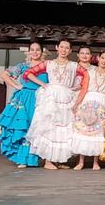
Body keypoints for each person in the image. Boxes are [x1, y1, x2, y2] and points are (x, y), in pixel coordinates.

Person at [24, 39, 89, 170]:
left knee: (64, 129)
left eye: (67, 48)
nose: (64, 50)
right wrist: (44, 85)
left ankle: (58, 160)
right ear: (57, 48)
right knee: (50, 127)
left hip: (66, 96)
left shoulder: (74, 65)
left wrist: (77, 88)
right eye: (62, 47)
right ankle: (48, 161)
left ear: (70, 51)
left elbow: (87, 75)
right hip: (51, 96)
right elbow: (28, 73)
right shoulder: (48, 63)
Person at [0, 41, 45, 168]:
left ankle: (37, 158)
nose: (35, 52)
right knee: (23, 127)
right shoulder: (23, 66)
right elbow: (4, 75)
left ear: (42, 51)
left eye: (37, 50)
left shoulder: (47, 67)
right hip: (24, 99)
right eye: (32, 50)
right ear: (29, 52)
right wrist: (17, 85)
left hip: (41, 99)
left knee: (38, 128)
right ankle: (22, 158)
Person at [70, 50, 105, 171]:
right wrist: (77, 103)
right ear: (98, 58)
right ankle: (81, 161)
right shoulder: (89, 72)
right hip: (88, 101)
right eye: (102, 58)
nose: (104, 61)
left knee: (98, 132)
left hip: (102, 102)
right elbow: (84, 89)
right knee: (84, 129)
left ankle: (95, 161)